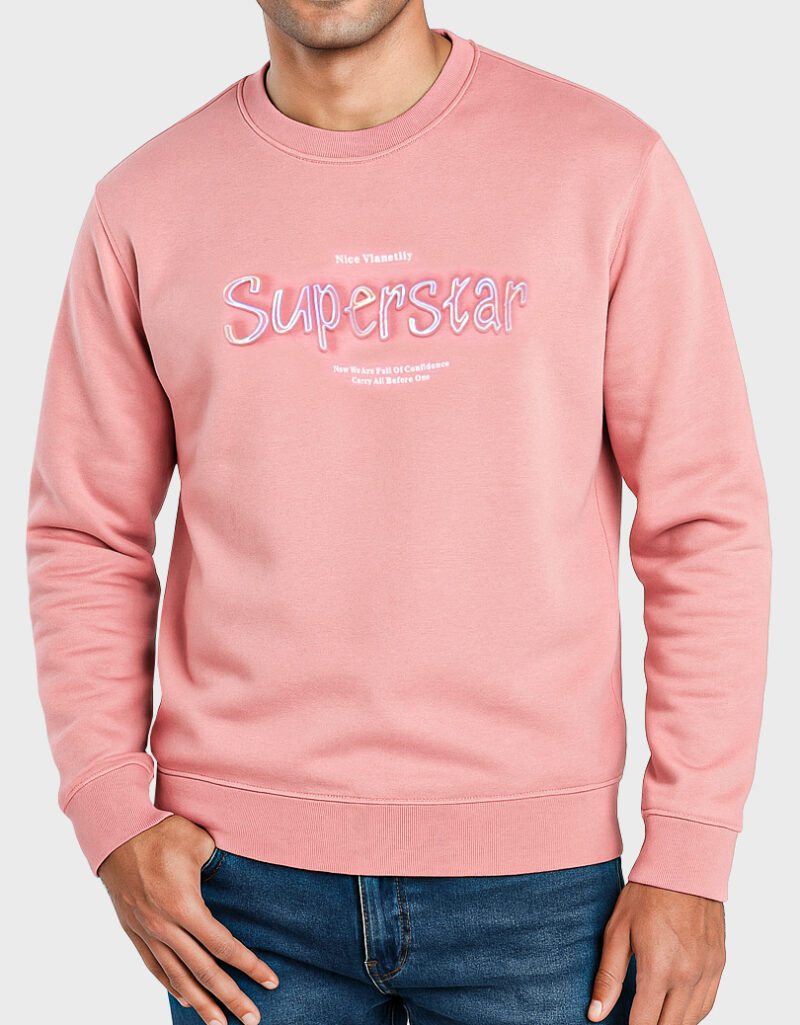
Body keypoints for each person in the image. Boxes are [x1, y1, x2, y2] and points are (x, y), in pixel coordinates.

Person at [26, 1, 772, 1023]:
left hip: (544, 893)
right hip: (236, 886)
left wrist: (690, 847)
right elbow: (85, 531)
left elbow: (704, 521)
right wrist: (110, 812)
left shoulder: (605, 166)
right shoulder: (144, 203)